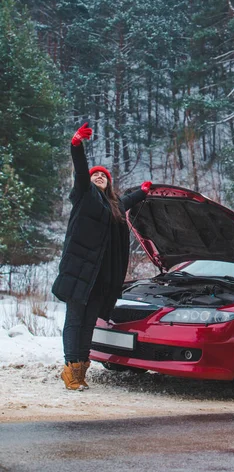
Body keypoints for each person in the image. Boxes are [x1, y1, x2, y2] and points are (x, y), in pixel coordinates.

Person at [52, 122, 152, 391]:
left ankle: (80, 369)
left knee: (88, 324)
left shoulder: (115, 206)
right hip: (80, 273)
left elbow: (128, 200)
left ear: (109, 183)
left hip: (101, 278)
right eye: (95, 175)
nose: (98, 177)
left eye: (103, 176)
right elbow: (82, 172)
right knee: (74, 321)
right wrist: (76, 146)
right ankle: (70, 369)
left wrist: (143, 191)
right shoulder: (85, 195)